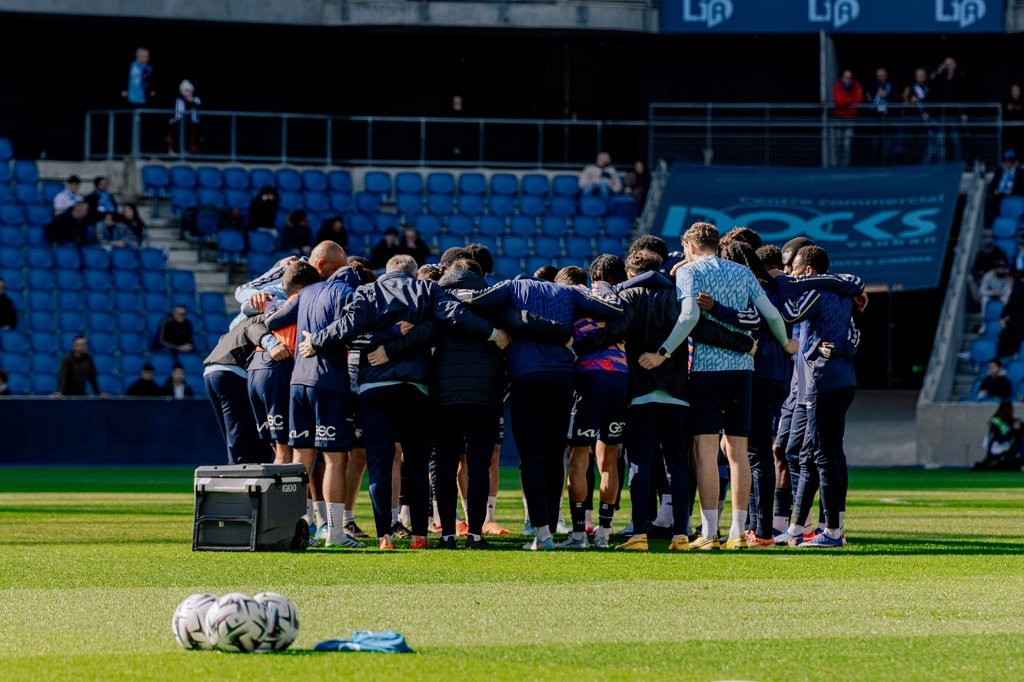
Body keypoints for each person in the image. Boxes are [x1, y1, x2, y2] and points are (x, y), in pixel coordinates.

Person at [300, 254, 506, 551]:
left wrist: (316, 341)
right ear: (412, 273)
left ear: (387, 272)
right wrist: (492, 333)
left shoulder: (367, 292)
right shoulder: (426, 290)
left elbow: (348, 327)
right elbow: (443, 320)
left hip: (374, 387)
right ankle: (419, 534)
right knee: (417, 462)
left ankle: (384, 535)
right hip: (416, 388)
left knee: (381, 464)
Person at [639, 222, 796, 551]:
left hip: (708, 369)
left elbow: (688, 316)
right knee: (739, 453)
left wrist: (663, 352)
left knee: (706, 452)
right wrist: (785, 343)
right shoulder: (742, 272)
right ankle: (738, 533)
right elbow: (770, 314)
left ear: (692, 246)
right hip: (744, 371)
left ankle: (709, 533)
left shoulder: (690, 271)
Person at [466, 262, 623, 551]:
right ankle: (550, 527)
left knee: (532, 458)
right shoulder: (570, 294)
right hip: (563, 378)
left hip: (527, 378)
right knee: (554, 456)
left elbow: (474, 300)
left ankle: (542, 534)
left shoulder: (513, 287)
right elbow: (613, 312)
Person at [612, 249, 756, 551]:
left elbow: (618, 329)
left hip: (640, 390)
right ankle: (680, 532)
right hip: (677, 392)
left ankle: (639, 533)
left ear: (629, 273)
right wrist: (744, 343)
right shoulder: (678, 294)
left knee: (640, 463)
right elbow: (703, 329)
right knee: (677, 463)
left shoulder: (629, 296)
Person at [431, 258, 572, 549]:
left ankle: (446, 534)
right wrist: (561, 333)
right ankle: (475, 534)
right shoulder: (494, 302)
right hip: (485, 393)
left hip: (444, 394)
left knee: (445, 464)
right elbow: (521, 322)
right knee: (479, 465)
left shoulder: (437, 297)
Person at [266, 242, 364, 549]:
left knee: (299, 458)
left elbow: (272, 322)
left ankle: (282, 527)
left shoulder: (304, 293)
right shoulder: (345, 293)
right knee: (336, 459)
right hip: (330, 382)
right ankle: (334, 533)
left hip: (298, 383)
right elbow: (354, 326)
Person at [779, 245, 859, 548]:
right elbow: (853, 335)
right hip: (840, 380)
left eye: (795, 269)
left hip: (822, 381)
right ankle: (798, 527)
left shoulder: (815, 294)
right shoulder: (844, 295)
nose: (791, 274)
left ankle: (833, 532)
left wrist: (778, 291)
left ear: (809, 270)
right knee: (818, 454)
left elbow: (789, 313)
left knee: (823, 456)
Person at [555, 256, 630, 550]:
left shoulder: (574, 304)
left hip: (591, 379)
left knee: (579, 457)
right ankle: (604, 533)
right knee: (609, 459)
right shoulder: (615, 305)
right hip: (620, 377)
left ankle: (577, 534)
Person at [247, 260, 320, 466]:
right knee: (290, 452)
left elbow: (249, 318)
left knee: (279, 448)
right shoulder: (307, 301)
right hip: (280, 368)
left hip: (256, 367)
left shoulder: (271, 303)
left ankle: (291, 498)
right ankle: (288, 500)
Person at [203, 313, 280, 465]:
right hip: (233, 372)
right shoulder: (264, 317)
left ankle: (239, 469)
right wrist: (273, 345)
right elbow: (255, 330)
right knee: (243, 436)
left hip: (211, 371)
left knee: (234, 435)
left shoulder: (241, 320)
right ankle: (240, 476)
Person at [932, 57, 968, 162]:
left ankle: (958, 162)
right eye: (946, 64)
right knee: (941, 140)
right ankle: (941, 163)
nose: (948, 66)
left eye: (950, 64)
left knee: (955, 139)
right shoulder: (941, 78)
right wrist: (938, 72)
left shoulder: (959, 77)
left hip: (954, 113)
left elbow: (962, 95)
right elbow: (933, 88)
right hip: (942, 113)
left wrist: (964, 113)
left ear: (955, 64)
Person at [974, 401, 1024, 471]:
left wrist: (1020, 425)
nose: (1013, 411)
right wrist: (989, 455)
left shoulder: (1011, 420)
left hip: (1006, 446)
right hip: (997, 446)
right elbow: (997, 439)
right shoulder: (996, 421)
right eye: (1011, 409)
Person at [906, 67, 941, 164]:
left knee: (932, 141)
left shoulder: (931, 87)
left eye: (922, 76)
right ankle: (915, 162)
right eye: (918, 76)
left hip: (929, 119)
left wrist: (929, 112)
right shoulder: (911, 88)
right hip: (916, 121)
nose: (920, 78)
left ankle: (929, 162)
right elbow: (905, 102)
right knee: (916, 143)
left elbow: (935, 101)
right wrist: (911, 101)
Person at [832, 69, 863, 167]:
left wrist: (846, 100)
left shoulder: (856, 85)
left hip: (850, 118)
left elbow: (858, 100)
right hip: (839, 117)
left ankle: (845, 165)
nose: (848, 79)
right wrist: (850, 100)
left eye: (849, 77)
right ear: (842, 78)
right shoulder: (837, 86)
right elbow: (839, 101)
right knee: (837, 143)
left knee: (847, 143)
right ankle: (836, 164)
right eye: (846, 77)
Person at [868, 68, 896, 164]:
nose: (880, 78)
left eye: (882, 76)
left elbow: (897, 99)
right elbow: (868, 97)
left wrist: (886, 96)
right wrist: (871, 97)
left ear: (886, 76)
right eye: (879, 76)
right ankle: (874, 162)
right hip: (875, 116)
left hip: (888, 116)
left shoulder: (892, 86)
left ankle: (887, 161)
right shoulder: (873, 85)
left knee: (888, 141)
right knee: (875, 140)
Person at [169, 80, 202, 154]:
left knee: (188, 127)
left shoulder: (196, 99)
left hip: (194, 122)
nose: (189, 92)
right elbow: (178, 113)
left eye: (190, 91)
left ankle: (189, 149)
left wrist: (190, 101)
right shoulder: (179, 100)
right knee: (175, 126)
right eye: (187, 91)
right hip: (181, 122)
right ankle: (176, 150)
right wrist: (174, 119)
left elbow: (197, 108)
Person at [1005, 84, 1024, 155]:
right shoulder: (1007, 101)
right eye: (1014, 90)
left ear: (1020, 91)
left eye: (1017, 90)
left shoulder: (1022, 101)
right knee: (1010, 150)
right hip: (1010, 132)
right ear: (1011, 92)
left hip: (1021, 131)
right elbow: (1007, 110)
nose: (1015, 92)